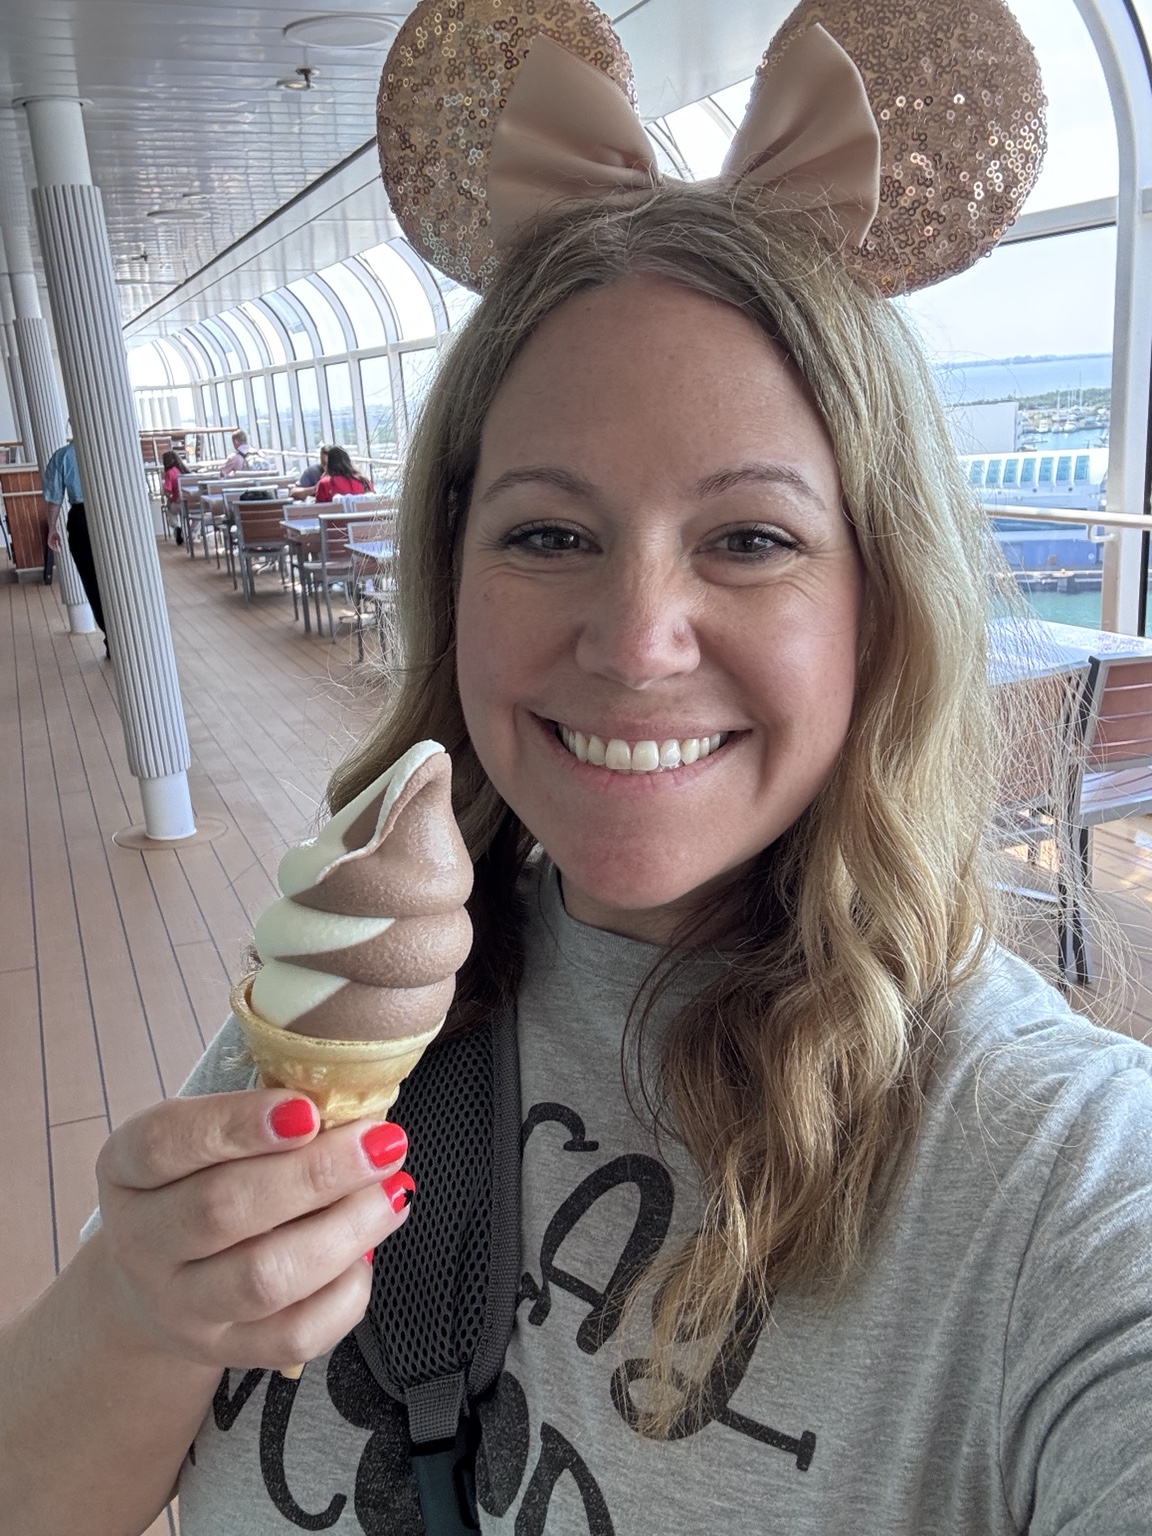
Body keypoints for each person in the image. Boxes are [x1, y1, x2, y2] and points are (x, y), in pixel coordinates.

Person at [3, 30, 1151, 1536]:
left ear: (882, 605)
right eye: (549, 535)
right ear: (454, 577)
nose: (635, 642)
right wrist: (138, 1312)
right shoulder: (362, 998)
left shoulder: (1062, 1184)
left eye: (750, 538)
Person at [43, 438, 108, 657]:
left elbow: (54, 497)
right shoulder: (107, 448)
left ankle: (110, 635)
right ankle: (126, 633)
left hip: (80, 517)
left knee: (91, 581)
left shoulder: (62, 456)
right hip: (110, 515)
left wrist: (52, 528)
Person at [161, 449, 189, 545]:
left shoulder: (170, 473)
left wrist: (169, 500)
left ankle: (177, 527)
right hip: (189, 503)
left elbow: (167, 491)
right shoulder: (184, 470)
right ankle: (191, 535)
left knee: (171, 513)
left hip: (177, 502)